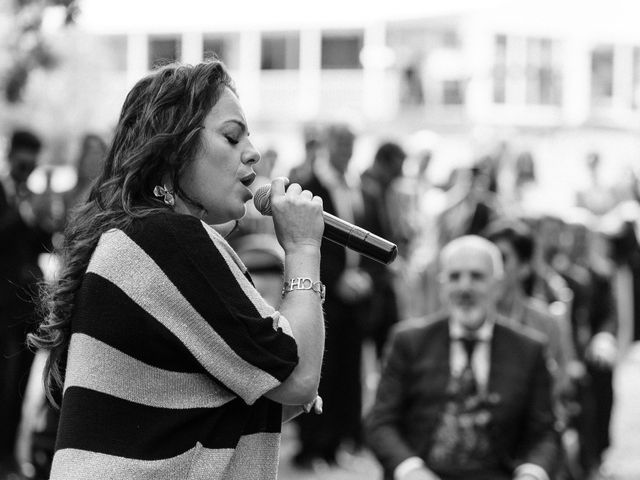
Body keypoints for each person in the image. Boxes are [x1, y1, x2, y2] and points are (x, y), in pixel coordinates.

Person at [27, 59, 326, 480]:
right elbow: (298, 379)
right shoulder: (169, 238)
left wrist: (279, 377)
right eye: (231, 136)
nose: (253, 152)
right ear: (175, 148)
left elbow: (209, 411)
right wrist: (303, 246)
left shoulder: (135, 235)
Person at [365, 235, 561, 480]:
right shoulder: (408, 342)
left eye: (477, 277)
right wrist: (410, 469)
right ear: (442, 285)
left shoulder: (529, 349)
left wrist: (532, 473)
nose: (465, 287)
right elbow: (380, 422)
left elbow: (545, 434)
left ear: (498, 285)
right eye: (455, 277)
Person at [294, 123, 372, 468]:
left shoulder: (358, 187)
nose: (346, 151)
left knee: (348, 374)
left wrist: (368, 278)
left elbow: (372, 237)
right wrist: (337, 279)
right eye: (341, 143)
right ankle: (313, 447)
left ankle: (337, 443)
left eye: (351, 144)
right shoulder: (311, 187)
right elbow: (304, 242)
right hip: (325, 295)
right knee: (320, 371)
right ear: (327, 145)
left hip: (356, 300)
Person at [0, 129, 51, 478]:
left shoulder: (36, 198)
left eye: (34, 155)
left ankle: (10, 456)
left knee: (20, 388)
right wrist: (22, 212)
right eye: (24, 154)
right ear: (11, 154)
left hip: (27, 308)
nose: (28, 162)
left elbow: (44, 245)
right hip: (0, 310)